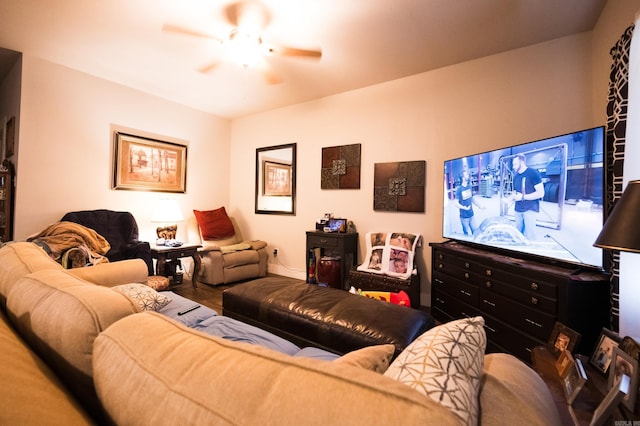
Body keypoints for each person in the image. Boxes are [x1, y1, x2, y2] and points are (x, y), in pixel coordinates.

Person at [511, 154, 545, 240]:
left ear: (521, 163)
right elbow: (515, 192)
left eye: (515, 164)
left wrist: (523, 197)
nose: (513, 167)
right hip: (518, 209)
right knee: (518, 233)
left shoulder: (533, 173)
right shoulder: (515, 177)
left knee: (530, 235)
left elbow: (541, 193)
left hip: (530, 209)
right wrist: (509, 199)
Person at [454, 170, 484, 236]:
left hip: (471, 214)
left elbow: (472, 198)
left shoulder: (469, 186)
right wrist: (463, 208)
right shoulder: (459, 189)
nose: (468, 176)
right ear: (463, 177)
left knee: (475, 231)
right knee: (466, 234)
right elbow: (456, 203)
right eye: (466, 175)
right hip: (464, 217)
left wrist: (480, 206)